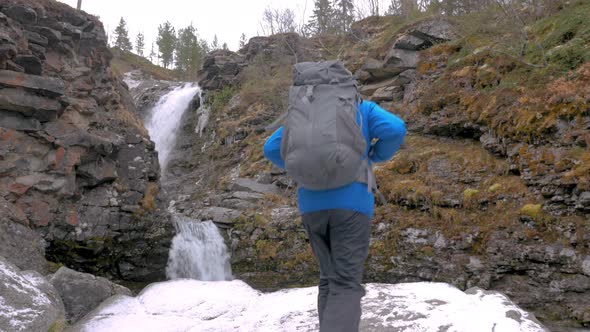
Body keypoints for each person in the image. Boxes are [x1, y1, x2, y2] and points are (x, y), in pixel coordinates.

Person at [263, 88, 406, 332]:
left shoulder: (303, 115)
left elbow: (271, 148)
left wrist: (302, 170)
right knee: (346, 283)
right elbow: (395, 128)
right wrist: (375, 155)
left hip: (311, 206)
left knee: (329, 279)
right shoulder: (362, 108)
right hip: (352, 205)